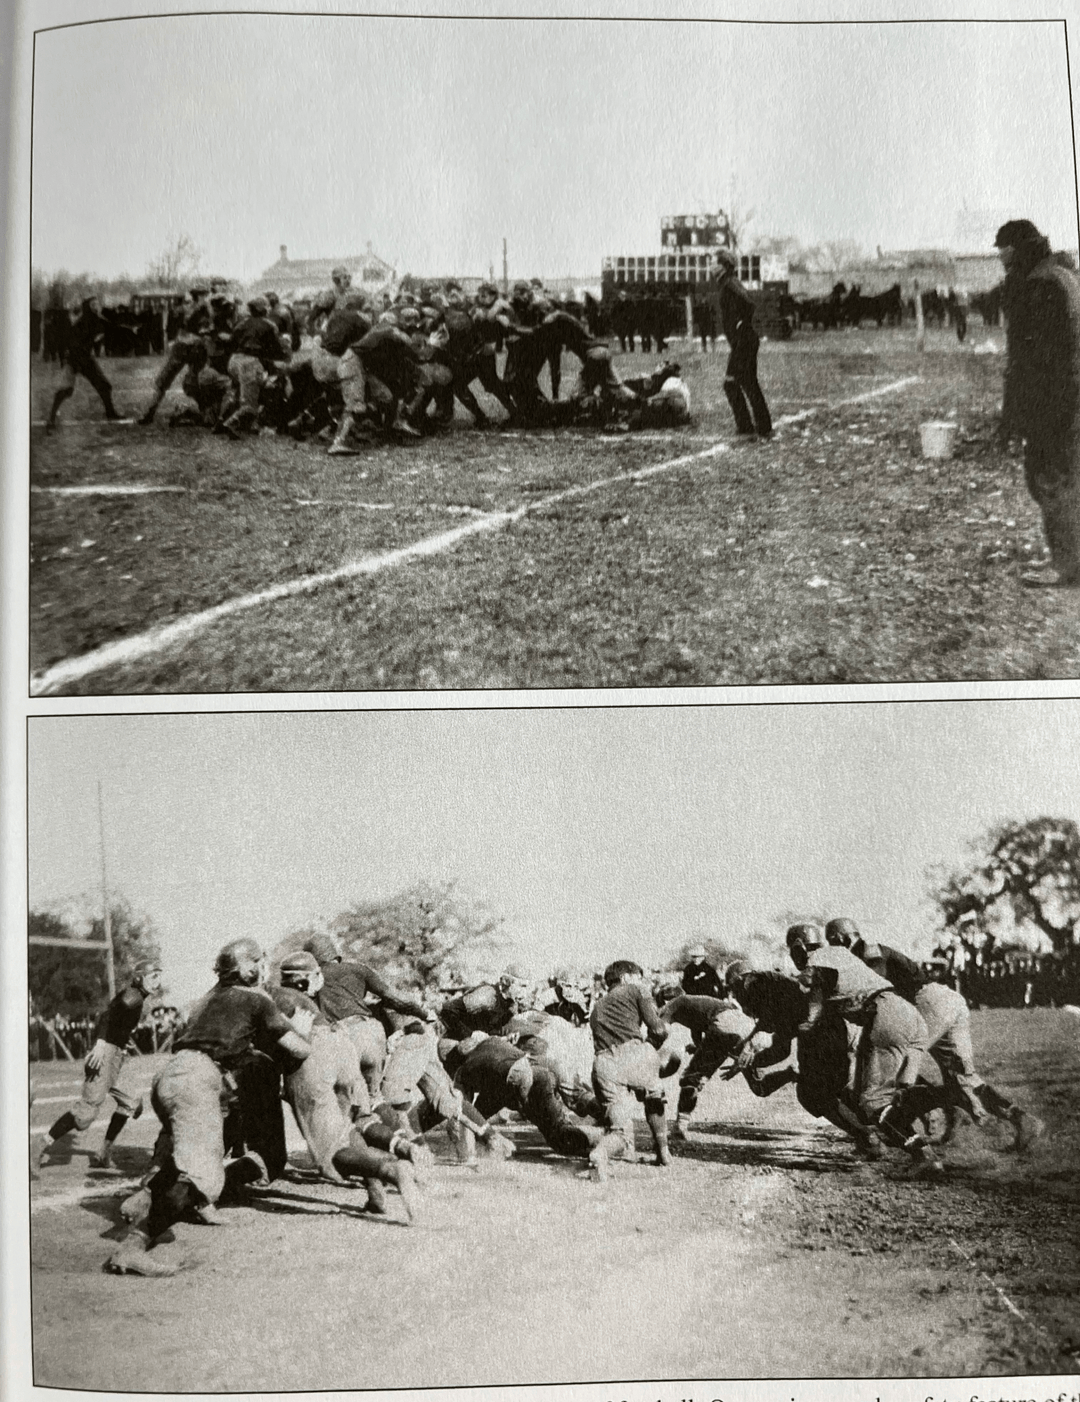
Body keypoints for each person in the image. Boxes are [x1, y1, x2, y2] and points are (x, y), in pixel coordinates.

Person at [106, 938, 314, 1276]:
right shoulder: (256, 999)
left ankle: (148, 1195)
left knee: (189, 1157)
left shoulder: (203, 1000)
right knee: (203, 1175)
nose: (264, 967)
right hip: (198, 1080)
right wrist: (303, 1031)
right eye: (259, 961)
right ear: (248, 967)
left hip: (171, 1073)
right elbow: (300, 1051)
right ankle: (132, 1246)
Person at [824, 918, 1045, 1150]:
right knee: (963, 1077)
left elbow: (878, 990)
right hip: (944, 1001)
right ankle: (1021, 1119)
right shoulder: (867, 953)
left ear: (841, 938)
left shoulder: (869, 952)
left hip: (927, 1002)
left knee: (892, 1067)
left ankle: (902, 1130)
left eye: (834, 943)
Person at [270, 952, 422, 1220]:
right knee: (357, 1120)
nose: (322, 980)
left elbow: (285, 1043)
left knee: (330, 1151)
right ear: (305, 981)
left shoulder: (275, 997)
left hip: (314, 1055)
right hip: (341, 1045)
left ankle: (392, 1170)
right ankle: (387, 1174)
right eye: (318, 974)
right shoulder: (304, 1000)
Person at [787, 924, 944, 1174]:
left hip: (885, 1014)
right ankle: (948, 1097)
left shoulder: (815, 961)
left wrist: (802, 1022)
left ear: (798, 947)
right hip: (908, 1015)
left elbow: (812, 997)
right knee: (900, 1090)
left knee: (871, 1100)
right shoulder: (840, 953)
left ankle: (923, 1154)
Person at [994, 219, 1080, 588]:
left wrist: (1020, 416)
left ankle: (1064, 564)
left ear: (1018, 249)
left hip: (1057, 398)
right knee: (1063, 478)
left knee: (1047, 478)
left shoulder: (1041, 286)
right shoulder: (1061, 274)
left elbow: (1038, 362)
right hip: (1069, 393)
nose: (1001, 259)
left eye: (1004, 251)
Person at [33, 959, 164, 1174]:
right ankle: (40, 1144)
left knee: (130, 1103)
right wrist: (101, 1043)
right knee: (85, 1115)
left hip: (117, 1056)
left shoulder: (137, 997)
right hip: (106, 1054)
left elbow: (117, 1021)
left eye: (159, 977)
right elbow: (106, 1016)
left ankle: (104, 1152)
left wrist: (122, 1040)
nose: (157, 982)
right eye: (153, 977)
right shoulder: (133, 996)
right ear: (140, 977)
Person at [588, 960, 672, 1174]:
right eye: (638, 976)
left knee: (620, 1132)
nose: (641, 981)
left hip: (604, 1063)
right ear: (626, 977)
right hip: (633, 1053)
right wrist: (650, 1049)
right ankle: (663, 1149)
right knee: (654, 1094)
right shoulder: (636, 989)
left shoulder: (597, 1007)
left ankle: (601, 1153)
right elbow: (658, 1029)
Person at [657, 978, 754, 1140]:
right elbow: (704, 1038)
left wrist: (647, 1053)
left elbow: (658, 1031)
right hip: (743, 1025)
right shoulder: (694, 1003)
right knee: (757, 1081)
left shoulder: (675, 1003)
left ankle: (680, 1125)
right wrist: (698, 1048)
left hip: (723, 1023)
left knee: (691, 1078)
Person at [714, 248, 772, 440]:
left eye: (716, 262)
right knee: (748, 382)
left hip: (743, 341)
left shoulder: (730, 284)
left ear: (724, 266)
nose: (712, 266)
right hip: (744, 340)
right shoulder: (729, 283)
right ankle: (761, 425)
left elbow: (748, 304)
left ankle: (747, 425)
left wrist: (741, 324)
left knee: (732, 383)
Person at [44, 297, 124, 429]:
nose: (97, 307)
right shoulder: (84, 321)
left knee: (101, 386)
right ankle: (51, 418)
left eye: (97, 304)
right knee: (68, 390)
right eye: (94, 304)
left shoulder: (93, 319)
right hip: (78, 359)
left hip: (81, 358)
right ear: (88, 307)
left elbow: (111, 327)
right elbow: (73, 341)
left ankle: (110, 413)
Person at [137, 287, 213, 425]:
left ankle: (206, 413)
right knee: (165, 379)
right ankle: (149, 412)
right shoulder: (191, 308)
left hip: (194, 346)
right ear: (198, 296)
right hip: (185, 345)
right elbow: (185, 321)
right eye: (203, 295)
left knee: (194, 381)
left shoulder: (204, 309)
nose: (206, 298)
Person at [438, 966, 531, 1044]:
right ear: (507, 982)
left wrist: (506, 1038)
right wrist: (470, 1034)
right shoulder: (487, 996)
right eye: (522, 986)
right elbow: (447, 1011)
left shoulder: (511, 1005)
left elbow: (489, 1030)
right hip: (452, 1041)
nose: (525, 993)